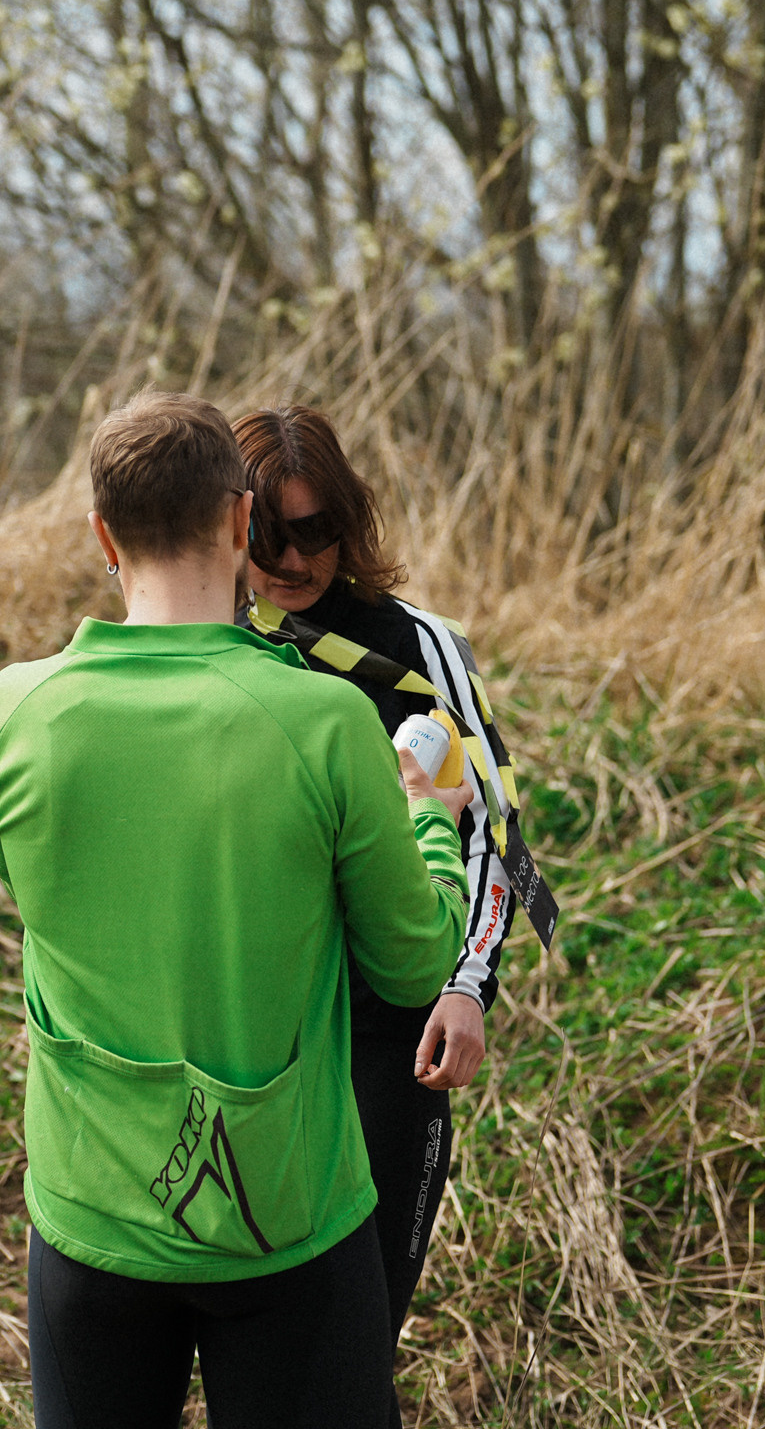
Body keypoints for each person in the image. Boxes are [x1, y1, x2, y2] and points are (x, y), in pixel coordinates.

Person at [0, 392, 472, 1429]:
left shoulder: (14, 709)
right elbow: (413, 966)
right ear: (243, 523)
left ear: (102, 534)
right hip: (285, 1217)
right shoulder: (326, 720)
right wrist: (430, 818)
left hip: (89, 1211)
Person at [234, 405, 548, 1361]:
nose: (294, 560)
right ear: (229, 523)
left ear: (352, 522)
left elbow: (494, 822)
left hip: (387, 1032)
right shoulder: (207, 644)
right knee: (264, 1351)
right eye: (268, 535)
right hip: (251, 1042)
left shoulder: (417, 645)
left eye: (317, 530)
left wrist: (466, 986)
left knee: (357, 1343)